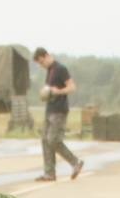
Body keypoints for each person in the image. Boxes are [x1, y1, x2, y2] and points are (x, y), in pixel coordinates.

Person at [32, 47, 83, 181]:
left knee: (53, 140)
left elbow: (72, 87)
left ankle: (75, 162)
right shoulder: (50, 71)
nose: (41, 65)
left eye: (42, 62)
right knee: (44, 139)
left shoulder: (61, 69)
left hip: (59, 110)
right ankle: (49, 173)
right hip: (50, 109)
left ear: (47, 56)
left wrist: (57, 91)